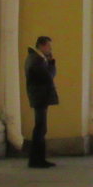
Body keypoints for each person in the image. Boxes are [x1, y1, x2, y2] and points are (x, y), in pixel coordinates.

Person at [24, 36, 58, 169]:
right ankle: (36, 160)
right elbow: (48, 76)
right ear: (42, 46)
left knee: (41, 128)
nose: (50, 49)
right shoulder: (36, 60)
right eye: (49, 46)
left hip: (39, 96)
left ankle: (39, 159)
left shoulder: (35, 59)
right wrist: (52, 64)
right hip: (40, 97)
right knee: (40, 128)